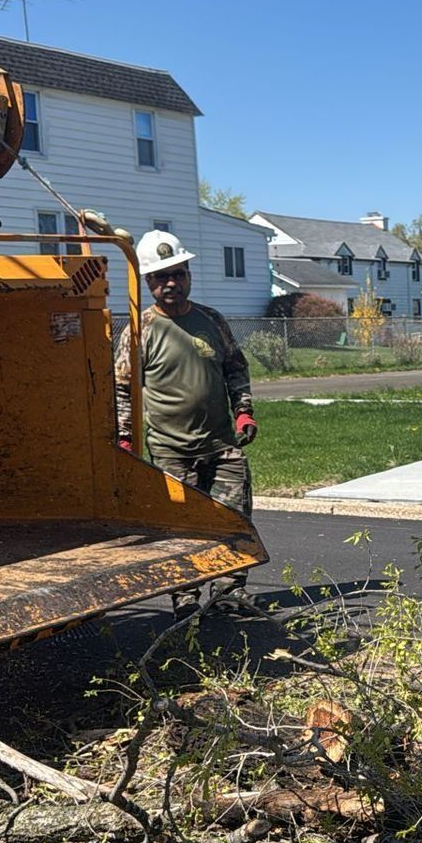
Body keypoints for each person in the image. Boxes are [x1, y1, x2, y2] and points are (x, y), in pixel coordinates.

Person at [114, 229, 259, 607]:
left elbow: (235, 370)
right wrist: (125, 437)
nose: (171, 283)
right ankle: (186, 597)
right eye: (162, 277)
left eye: (178, 273)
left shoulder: (212, 320)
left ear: (189, 275)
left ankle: (229, 592)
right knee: (181, 531)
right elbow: (122, 388)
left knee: (231, 518)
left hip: (221, 445)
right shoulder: (139, 329)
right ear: (148, 281)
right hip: (170, 453)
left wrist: (243, 413)